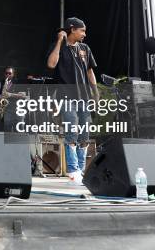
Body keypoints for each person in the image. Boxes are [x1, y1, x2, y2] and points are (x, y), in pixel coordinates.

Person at [46, 17, 98, 185]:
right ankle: (73, 170)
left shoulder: (85, 48)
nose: (84, 34)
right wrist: (60, 40)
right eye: (82, 30)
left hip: (84, 96)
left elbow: (90, 72)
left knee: (85, 133)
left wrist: (95, 92)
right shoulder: (60, 47)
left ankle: (81, 170)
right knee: (72, 130)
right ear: (72, 29)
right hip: (66, 97)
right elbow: (51, 64)